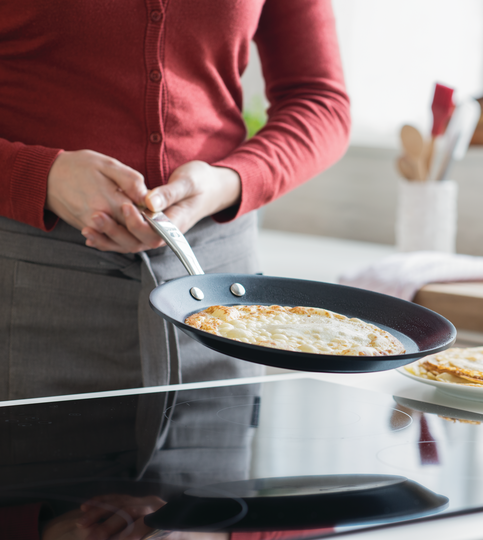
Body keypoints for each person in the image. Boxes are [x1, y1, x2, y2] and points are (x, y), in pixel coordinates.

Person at [0, 0, 351, 400]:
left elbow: (321, 100)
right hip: (28, 284)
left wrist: (231, 181)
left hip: (219, 293)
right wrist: (39, 177)